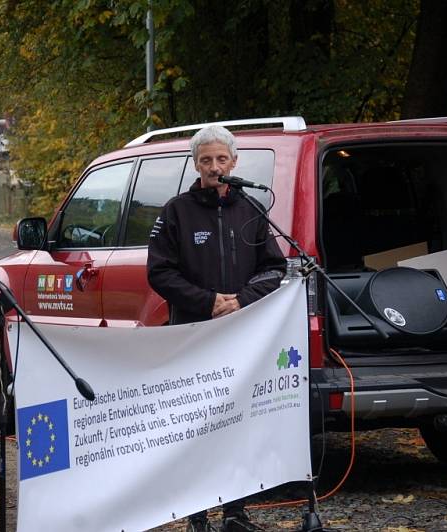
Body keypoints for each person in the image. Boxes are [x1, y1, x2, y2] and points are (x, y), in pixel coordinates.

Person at [147, 125, 286, 532]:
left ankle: (235, 511)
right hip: (193, 334)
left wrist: (241, 298)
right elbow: (159, 272)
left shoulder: (252, 209)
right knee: (198, 425)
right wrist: (206, 302)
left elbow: (274, 268)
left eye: (221, 159)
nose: (214, 166)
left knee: (237, 421)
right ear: (195, 164)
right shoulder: (176, 210)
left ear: (234, 162)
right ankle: (197, 512)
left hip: (241, 335)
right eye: (206, 160)